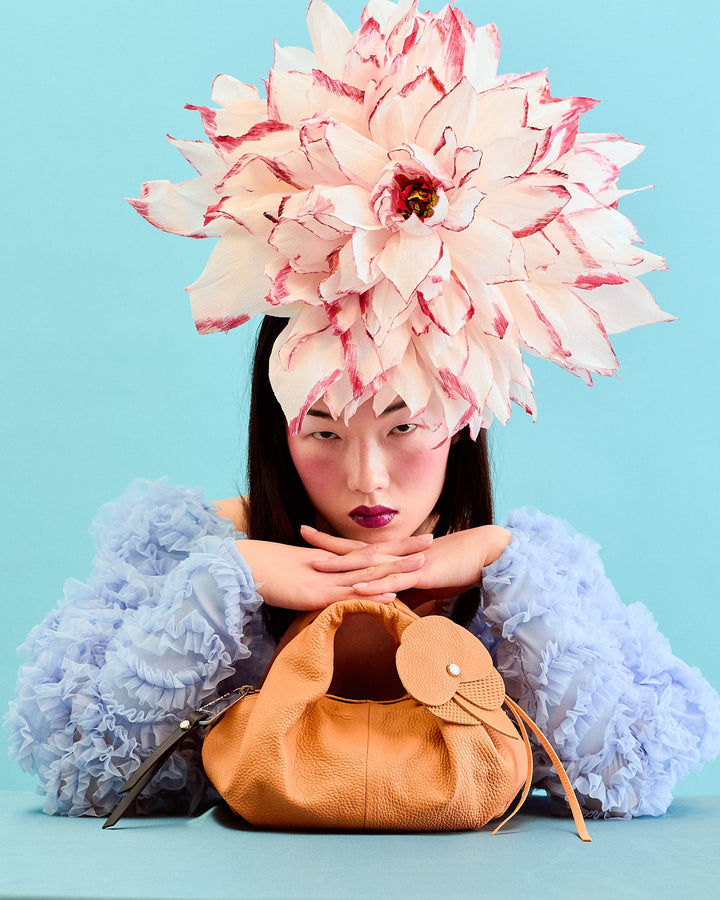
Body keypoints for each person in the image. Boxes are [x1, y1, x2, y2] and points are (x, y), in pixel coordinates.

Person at [6, 0, 720, 822]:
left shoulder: (524, 575)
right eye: (322, 431)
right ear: (276, 424)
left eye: (405, 427)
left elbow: (631, 777)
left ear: (463, 419)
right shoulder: (187, 549)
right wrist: (228, 583)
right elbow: (79, 777)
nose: (366, 478)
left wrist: (502, 567)